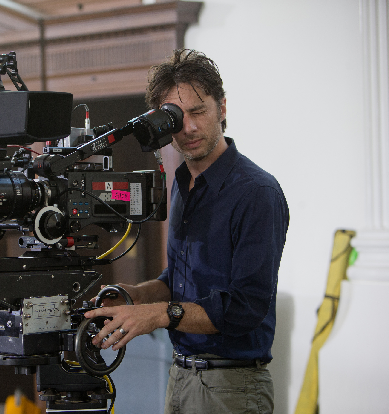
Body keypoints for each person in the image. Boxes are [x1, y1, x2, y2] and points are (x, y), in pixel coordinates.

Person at [84, 49, 289, 414]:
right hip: (180, 376)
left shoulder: (257, 192)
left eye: (199, 111)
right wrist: (135, 297)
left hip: (232, 387)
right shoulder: (182, 184)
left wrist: (158, 314)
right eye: (176, 117)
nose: (189, 127)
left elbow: (246, 307)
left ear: (221, 109)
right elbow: (180, 279)